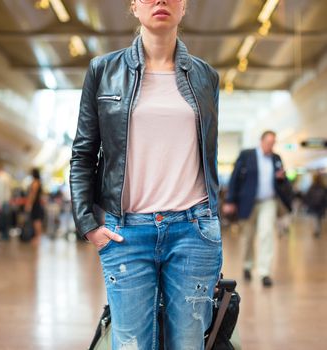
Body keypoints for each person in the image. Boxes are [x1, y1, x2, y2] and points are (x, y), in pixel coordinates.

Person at [70, 0, 221, 348]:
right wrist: (88, 224)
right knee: (132, 343)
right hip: (127, 234)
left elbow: (208, 155)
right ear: (134, 6)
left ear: (184, 8)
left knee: (188, 343)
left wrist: (212, 221)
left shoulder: (205, 76)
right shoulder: (103, 70)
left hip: (193, 231)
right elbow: (83, 154)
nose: (161, 0)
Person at [223, 131, 292, 287]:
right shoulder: (247, 155)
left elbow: (283, 182)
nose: (270, 146)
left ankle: (264, 272)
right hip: (248, 202)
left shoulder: (276, 158)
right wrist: (230, 200)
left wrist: (282, 178)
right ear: (261, 141)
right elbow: (235, 178)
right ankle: (247, 265)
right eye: (268, 142)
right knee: (248, 236)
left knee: (266, 234)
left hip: (269, 201)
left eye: (273, 143)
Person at [304, 172, 326, 238]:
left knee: (315, 218)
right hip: (321, 206)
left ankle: (317, 230)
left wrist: (307, 203)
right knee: (319, 219)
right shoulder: (323, 187)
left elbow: (307, 196)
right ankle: (318, 229)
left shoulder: (312, 187)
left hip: (314, 206)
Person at [0, 164, 12, 240]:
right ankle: (6, 235)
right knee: (7, 219)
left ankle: (4, 235)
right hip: (8, 200)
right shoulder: (7, 176)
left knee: (2, 219)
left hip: (3, 201)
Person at [25, 168, 43, 244]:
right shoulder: (39, 182)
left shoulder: (35, 182)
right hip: (37, 203)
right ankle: (37, 237)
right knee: (37, 220)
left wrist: (29, 204)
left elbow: (33, 194)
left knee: (36, 220)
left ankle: (37, 237)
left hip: (35, 204)